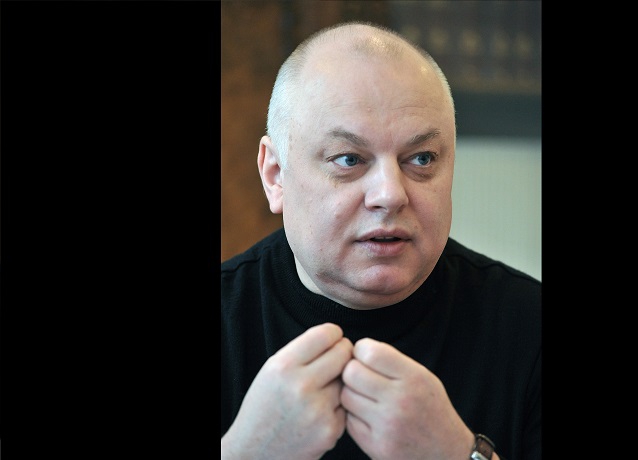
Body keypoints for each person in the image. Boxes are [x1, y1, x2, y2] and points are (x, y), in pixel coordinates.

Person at [221, 21, 541, 460]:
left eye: (421, 158)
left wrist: (459, 453)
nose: (390, 194)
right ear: (276, 176)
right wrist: (244, 452)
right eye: (349, 159)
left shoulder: (529, 328)